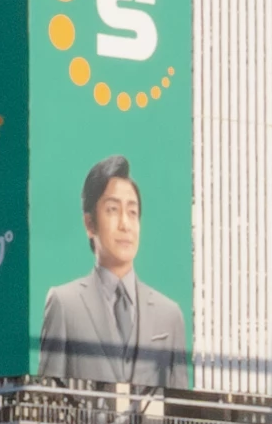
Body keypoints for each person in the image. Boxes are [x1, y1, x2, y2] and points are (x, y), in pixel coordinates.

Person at [32, 155, 189, 389]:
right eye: (113, 210)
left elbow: (179, 405)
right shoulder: (64, 304)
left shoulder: (170, 315)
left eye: (133, 212)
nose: (125, 224)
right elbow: (48, 397)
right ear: (89, 224)